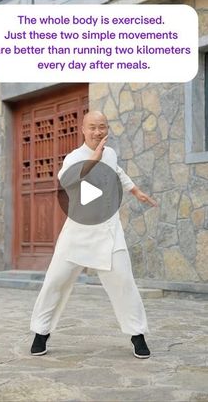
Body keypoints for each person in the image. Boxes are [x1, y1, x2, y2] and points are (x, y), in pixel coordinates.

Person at [30, 111, 157, 359]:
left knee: (124, 281)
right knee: (56, 280)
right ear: (83, 129)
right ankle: (40, 332)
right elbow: (65, 179)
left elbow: (118, 171)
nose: (98, 132)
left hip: (109, 230)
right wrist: (94, 159)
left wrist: (136, 191)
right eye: (93, 127)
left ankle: (137, 335)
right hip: (77, 232)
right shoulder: (74, 157)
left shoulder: (110, 154)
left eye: (102, 127)